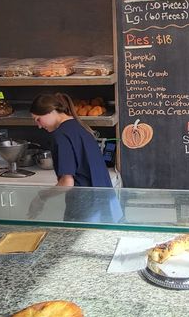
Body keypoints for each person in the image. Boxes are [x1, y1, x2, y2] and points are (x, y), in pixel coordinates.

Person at [28, 93, 121, 223]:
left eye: (38, 119)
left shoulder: (60, 136)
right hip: (107, 203)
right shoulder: (79, 126)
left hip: (87, 208)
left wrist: (41, 197)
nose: (38, 125)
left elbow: (67, 183)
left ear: (51, 111)